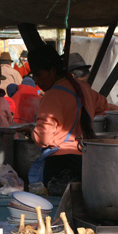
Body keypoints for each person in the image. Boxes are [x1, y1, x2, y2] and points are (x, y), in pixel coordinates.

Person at [28, 44, 110, 185]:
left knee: (59, 206)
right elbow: (103, 105)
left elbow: (44, 139)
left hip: (60, 164)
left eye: (39, 75)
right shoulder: (84, 88)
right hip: (85, 160)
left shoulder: (51, 96)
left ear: (53, 70)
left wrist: (32, 132)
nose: (36, 81)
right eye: (33, 76)